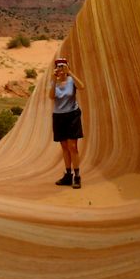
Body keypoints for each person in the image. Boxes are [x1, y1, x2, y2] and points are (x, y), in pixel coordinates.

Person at [49, 57, 84, 188]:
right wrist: (53, 80)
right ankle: (68, 175)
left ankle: (77, 176)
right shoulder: (54, 82)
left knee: (73, 147)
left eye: (63, 66)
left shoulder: (71, 81)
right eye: (58, 66)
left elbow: (82, 86)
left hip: (72, 115)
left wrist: (71, 73)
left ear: (67, 66)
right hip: (58, 116)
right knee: (64, 147)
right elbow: (51, 96)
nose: (61, 69)